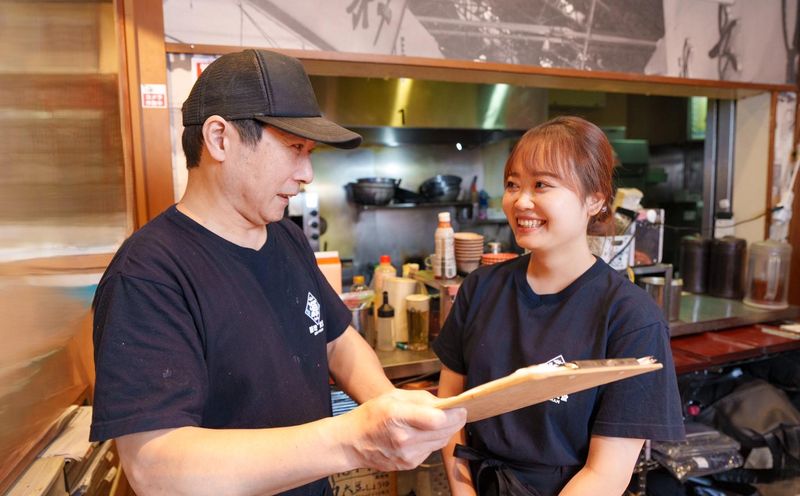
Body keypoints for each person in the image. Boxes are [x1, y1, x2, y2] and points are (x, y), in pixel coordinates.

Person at [90, 49, 466, 496]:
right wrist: (353, 439)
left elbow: (337, 340)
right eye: (294, 148)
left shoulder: (285, 237)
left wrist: (389, 405)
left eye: (310, 153)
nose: (307, 173)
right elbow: (155, 469)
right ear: (220, 138)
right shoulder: (149, 274)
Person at [434, 116, 685, 496]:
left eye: (542, 185)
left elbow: (606, 473)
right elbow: (449, 409)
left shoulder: (631, 317)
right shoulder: (480, 288)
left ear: (595, 199)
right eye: (513, 184)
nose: (521, 201)